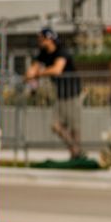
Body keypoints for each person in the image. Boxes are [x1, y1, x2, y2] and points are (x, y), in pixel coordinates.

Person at [24, 27, 84, 159]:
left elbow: (57, 69)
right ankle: (76, 150)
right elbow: (32, 69)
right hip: (61, 94)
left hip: (73, 93)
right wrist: (30, 75)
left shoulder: (61, 51)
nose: (39, 41)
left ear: (49, 39)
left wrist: (38, 74)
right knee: (55, 125)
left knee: (74, 127)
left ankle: (76, 154)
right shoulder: (43, 53)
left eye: (41, 38)